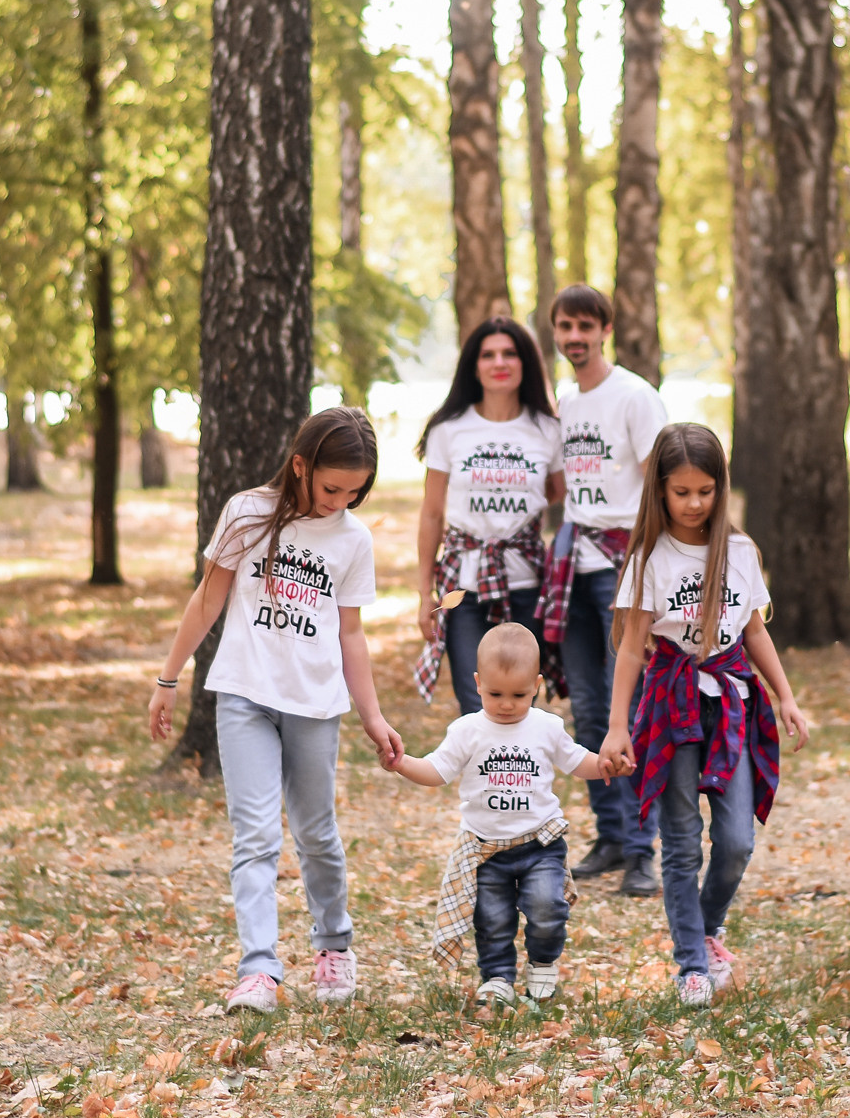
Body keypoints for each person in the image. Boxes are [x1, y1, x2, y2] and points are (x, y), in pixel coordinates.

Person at [147, 407, 404, 1014]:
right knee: (256, 836)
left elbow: (351, 637)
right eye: (330, 486)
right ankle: (258, 970)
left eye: (355, 491)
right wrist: (168, 675)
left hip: (315, 704)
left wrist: (371, 716)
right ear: (300, 466)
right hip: (244, 695)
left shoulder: (352, 540)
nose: (340, 500)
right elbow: (208, 597)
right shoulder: (247, 513)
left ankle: (334, 945)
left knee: (317, 834)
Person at [600, 423, 811, 1007]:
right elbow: (631, 648)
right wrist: (618, 727)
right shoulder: (649, 557)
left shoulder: (740, 553)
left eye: (705, 491)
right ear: (660, 491)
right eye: (681, 492)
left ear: (721, 487)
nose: (694, 504)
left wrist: (786, 696)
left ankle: (707, 926)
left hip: (732, 705)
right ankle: (690, 961)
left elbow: (754, 630)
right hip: (672, 709)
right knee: (683, 845)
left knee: (737, 840)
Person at [385, 623, 611, 1004]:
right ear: (477, 683)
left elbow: (577, 762)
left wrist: (605, 764)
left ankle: (542, 962)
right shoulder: (467, 730)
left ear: (537, 685)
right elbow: (437, 770)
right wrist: (402, 763)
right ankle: (497, 978)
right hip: (485, 848)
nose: (507, 704)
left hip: (540, 844)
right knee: (491, 919)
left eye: (519, 694)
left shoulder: (546, 727)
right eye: (495, 694)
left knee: (546, 907)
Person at [538, 284, 668, 896]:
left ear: (605, 330)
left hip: (625, 565)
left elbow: (665, 481)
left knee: (631, 711)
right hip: (574, 563)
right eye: (565, 326)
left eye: (586, 326)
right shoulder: (566, 400)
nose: (575, 337)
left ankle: (644, 848)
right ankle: (611, 835)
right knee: (588, 710)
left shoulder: (636, 397)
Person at [414, 317, 565, 715]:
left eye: (510, 353)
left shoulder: (547, 429)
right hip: (464, 591)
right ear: (474, 365)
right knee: (474, 702)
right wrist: (422, 594)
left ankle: (522, 779)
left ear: (525, 362)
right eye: (488, 354)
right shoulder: (449, 430)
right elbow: (431, 514)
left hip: (528, 586)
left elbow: (558, 493)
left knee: (521, 703)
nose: (499, 362)